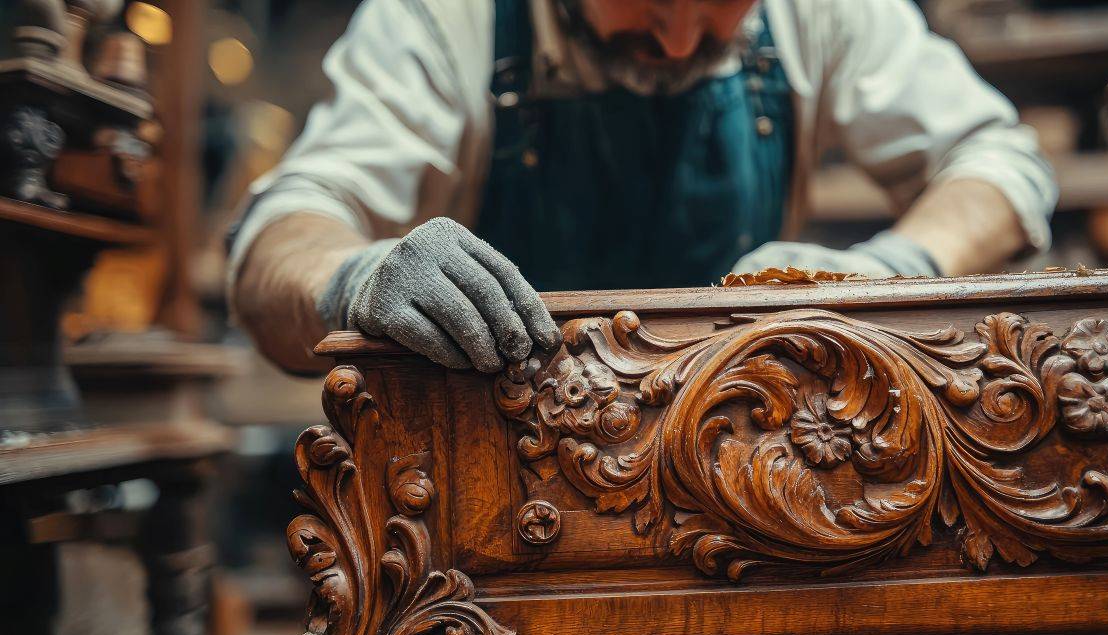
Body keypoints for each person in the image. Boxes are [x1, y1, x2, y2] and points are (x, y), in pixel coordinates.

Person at [229, 0, 1056, 374]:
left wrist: (894, 269)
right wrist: (351, 279)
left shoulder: (818, 12)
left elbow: (999, 162)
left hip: (748, 470)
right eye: (649, 1)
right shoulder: (441, 21)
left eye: (723, 6)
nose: (680, 38)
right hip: (498, 510)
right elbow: (280, 238)